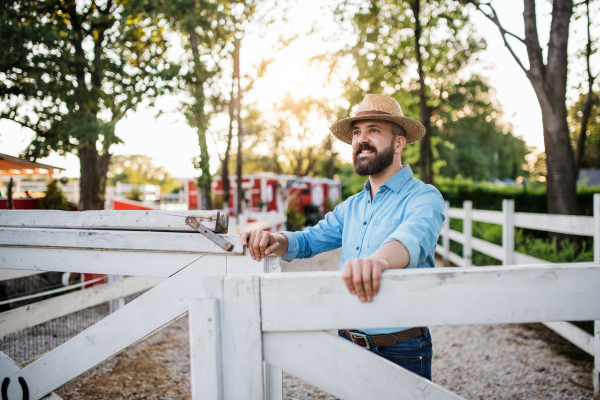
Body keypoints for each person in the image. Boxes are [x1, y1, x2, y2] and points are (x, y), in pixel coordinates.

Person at [242, 94, 445, 380]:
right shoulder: (352, 206)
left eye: (373, 130)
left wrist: (377, 261)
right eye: (356, 132)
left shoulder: (424, 196)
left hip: (401, 349)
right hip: (346, 343)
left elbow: (414, 237)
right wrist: (277, 240)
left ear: (399, 143)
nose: (362, 139)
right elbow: (311, 239)